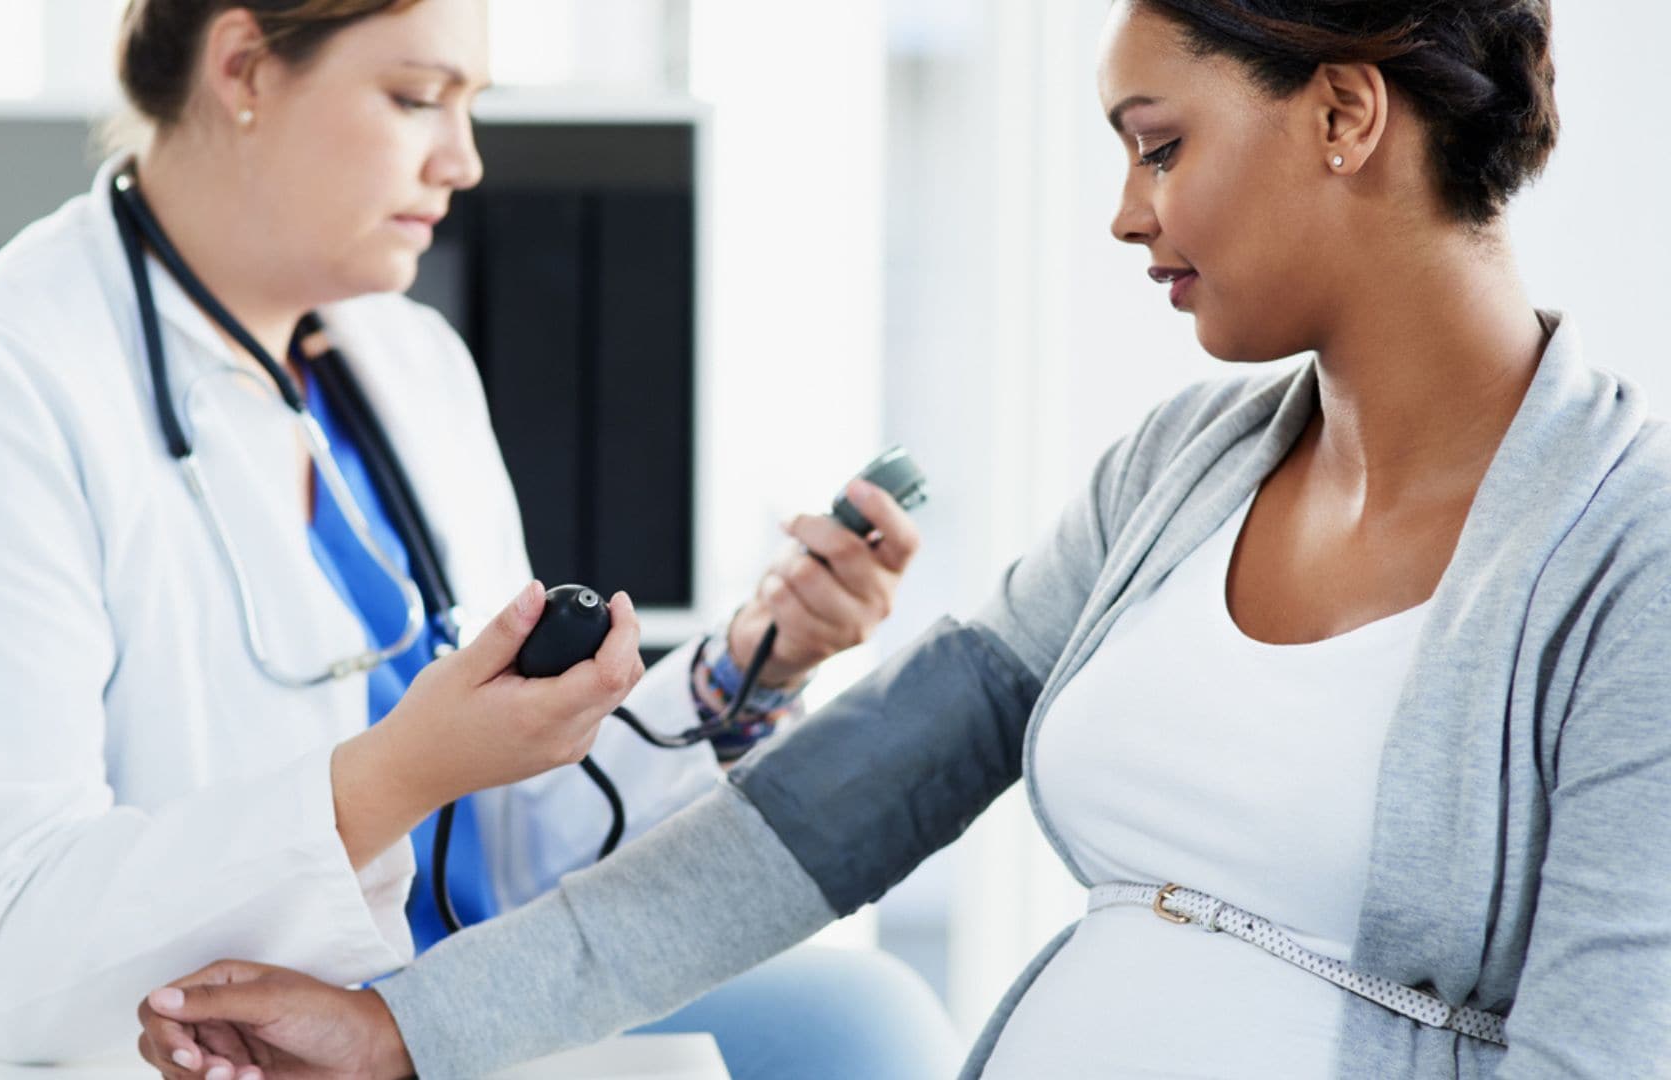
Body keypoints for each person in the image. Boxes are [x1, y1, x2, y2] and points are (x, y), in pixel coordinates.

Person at [136, 0, 1671, 1076]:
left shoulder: (1630, 551)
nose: (1127, 218)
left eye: (1158, 144)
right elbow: (825, 816)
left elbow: (1608, 1047)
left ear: (1346, 113)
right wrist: (413, 1031)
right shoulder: (1180, 474)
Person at [0, 0, 957, 1074]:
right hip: (89, 1056)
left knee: (863, 1019)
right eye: (416, 97)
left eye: (470, 105)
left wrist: (753, 659)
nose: (463, 161)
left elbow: (497, 845)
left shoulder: (407, 366)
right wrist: (395, 776)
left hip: (408, 1012)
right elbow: (18, 952)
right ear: (244, 67)